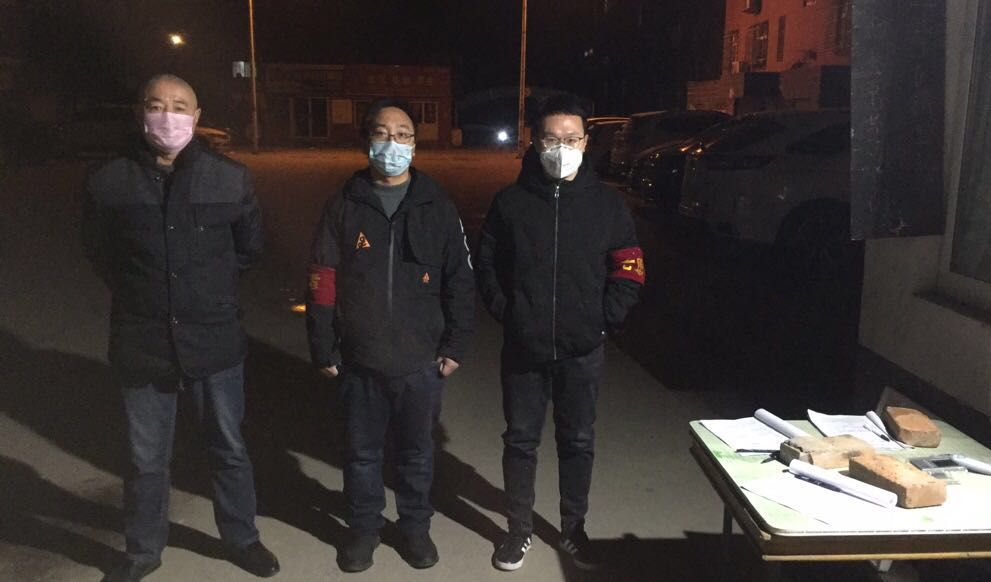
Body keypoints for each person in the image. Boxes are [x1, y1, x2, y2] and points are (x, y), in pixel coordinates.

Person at [82, 74, 279, 582]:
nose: (167, 116)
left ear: (196, 117)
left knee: (229, 447)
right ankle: (142, 550)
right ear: (139, 113)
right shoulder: (109, 181)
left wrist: (208, 293)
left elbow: (248, 249)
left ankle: (242, 538)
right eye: (156, 105)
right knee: (145, 458)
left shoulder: (229, 178)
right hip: (143, 341)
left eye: (179, 106)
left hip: (214, 339)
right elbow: (101, 253)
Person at [475, 94, 644, 572]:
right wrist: (508, 312)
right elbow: (486, 263)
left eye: (571, 139)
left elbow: (629, 266)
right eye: (552, 139)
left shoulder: (607, 205)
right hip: (524, 348)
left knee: (577, 442)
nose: (561, 148)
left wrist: (604, 319)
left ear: (586, 142)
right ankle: (518, 530)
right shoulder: (511, 202)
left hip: (582, 350)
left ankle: (573, 530)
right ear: (535, 142)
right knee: (520, 441)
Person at [305, 97, 474, 573]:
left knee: (417, 454)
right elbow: (322, 279)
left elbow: (460, 279)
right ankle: (364, 530)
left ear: (415, 145)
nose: (392, 143)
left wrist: (456, 344)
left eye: (402, 135)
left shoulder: (437, 205)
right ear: (366, 141)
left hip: (421, 362)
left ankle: (415, 528)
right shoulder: (344, 204)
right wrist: (322, 344)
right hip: (360, 360)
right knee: (361, 455)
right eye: (382, 134)